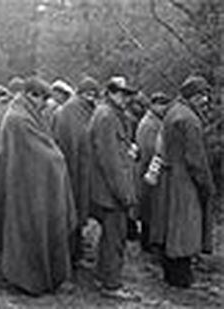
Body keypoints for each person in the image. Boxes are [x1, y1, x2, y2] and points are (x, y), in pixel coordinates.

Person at [0, 76, 77, 295]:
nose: (44, 104)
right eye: (42, 98)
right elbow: (40, 151)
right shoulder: (18, 118)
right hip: (25, 184)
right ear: (30, 95)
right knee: (30, 228)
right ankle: (29, 279)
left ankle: (32, 275)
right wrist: (57, 159)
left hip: (27, 180)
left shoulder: (25, 113)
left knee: (32, 227)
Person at [154, 76, 215, 288]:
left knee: (170, 227)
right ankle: (181, 278)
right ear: (193, 96)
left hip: (170, 176)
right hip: (184, 180)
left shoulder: (172, 112)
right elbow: (195, 159)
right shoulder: (189, 120)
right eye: (202, 95)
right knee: (184, 228)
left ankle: (171, 273)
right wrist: (206, 184)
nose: (205, 100)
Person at [88, 76, 139, 300]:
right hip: (110, 191)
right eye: (120, 93)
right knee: (115, 238)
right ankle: (111, 285)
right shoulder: (107, 117)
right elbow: (110, 161)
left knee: (110, 236)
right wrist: (125, 194)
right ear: (109, 93)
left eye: (127, 94)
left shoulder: (107, 114)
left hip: (106, 188)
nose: (124, 98)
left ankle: (103, 277)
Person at [52, 76, 100, 265]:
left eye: (94, 94)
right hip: (73, 169)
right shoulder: (71, 110)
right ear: (80, 93)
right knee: (72, 209)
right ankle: (70, 254)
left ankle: (77, 250)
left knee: (80, 211)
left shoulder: (86, 109)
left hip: (84, 168)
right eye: (88, 93)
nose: (91, 97)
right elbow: (71, 142)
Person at [135, 92, 171, 251]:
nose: (164, 108)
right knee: (148, 208)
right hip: (148, 169)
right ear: (153, 105)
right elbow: (150, 149)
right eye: (161, 104)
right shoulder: (150, 124)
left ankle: (148, 240)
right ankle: (147, 242)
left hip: (148, 168)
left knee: (149, 208)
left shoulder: (154, 121)